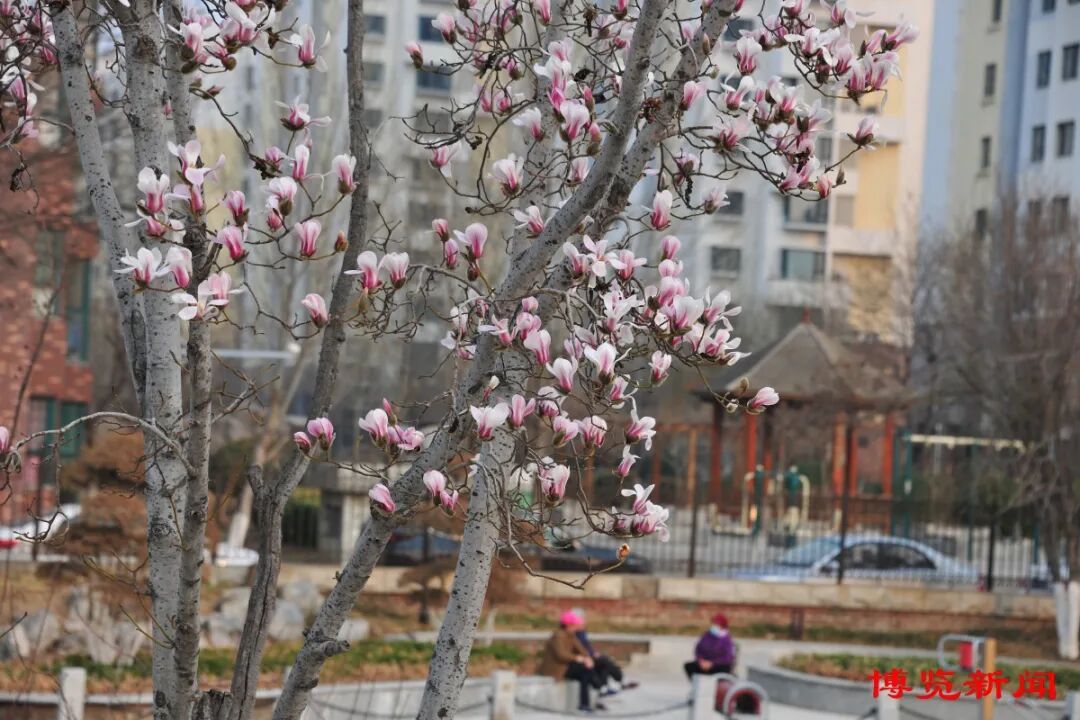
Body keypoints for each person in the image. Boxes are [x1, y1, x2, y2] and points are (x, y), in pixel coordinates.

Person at [539, 610, 605, 711]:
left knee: (587, 672)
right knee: (585, 670)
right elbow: (561, 655)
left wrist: (587, 658)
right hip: (557, 669)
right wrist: (578, 658)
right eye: (575, 624)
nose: (577, 627)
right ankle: (597, 686)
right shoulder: (558, 636)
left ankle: (585, 703)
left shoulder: (571, 635)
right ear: (568, 625)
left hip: (566, 667)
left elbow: (582, 650)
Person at [571, 607, 639, 695]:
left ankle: (604, 687)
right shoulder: (573, 633)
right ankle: (620, 681)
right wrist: (589, 655)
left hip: (586, 656)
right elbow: (578, 648)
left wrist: (593, 653)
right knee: (604, 661)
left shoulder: (581, 632)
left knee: (604, 663)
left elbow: (587, 645)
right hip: (581, 658)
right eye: (582, 619)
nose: (584, 621)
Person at [684, 612, 736, 679]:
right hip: (704, 663)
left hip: (719, 665)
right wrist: (701, 660)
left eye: (717, 624)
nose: (714, 626)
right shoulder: (707, 635)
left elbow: (727, 657)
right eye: (714, 623)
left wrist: (712, 663)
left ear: (722, 625)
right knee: (689, 666)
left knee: (723, 669)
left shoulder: (726, 639)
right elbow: (698, 648)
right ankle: (697, 686)